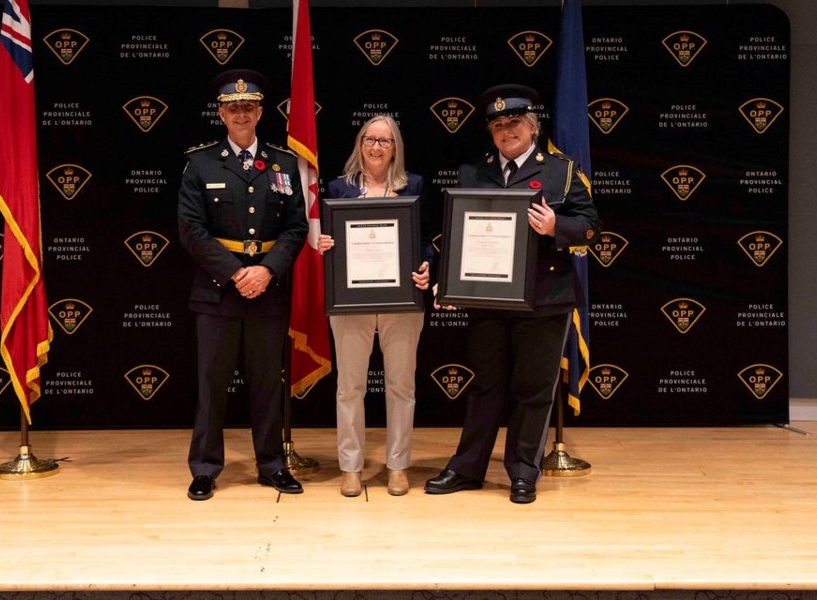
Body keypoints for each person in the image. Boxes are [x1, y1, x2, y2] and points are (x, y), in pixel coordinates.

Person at [424, 84, 601, 504]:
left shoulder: (562, 170)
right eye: (499, 125)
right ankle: (467, 469)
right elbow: (457, 236)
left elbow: (592, 227)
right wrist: (446, 281)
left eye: (515, 122)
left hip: (545, 297)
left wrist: (556, 225)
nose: (507, 131)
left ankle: (523, 472)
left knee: (534, 388)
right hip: (488, 299)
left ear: (532, 126)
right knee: (485, 385)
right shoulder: (473, 173)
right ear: (491, 132)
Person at [177, 69, 308, 501]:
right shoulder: (200, 162)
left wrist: (267, 270)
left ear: (259, 111)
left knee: (268, 383)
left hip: (267, 290)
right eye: (233, 107)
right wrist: (236, 273)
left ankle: (272, 465)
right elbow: (191, 230)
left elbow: (295, 228)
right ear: (220, 112)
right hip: (218, 292)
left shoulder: (283, 163)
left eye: (248, 106)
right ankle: (205, 467)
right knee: (211, 385)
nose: (241, 113)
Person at [316, 115, 431, 497]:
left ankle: (398, 465)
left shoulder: (412, 186)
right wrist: (325, 247)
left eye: (385, 140)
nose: (377, 147)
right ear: (360, 144)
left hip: (402, 301)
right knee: (349, 387)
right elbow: (325, 241)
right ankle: (351, 467)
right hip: (352, 302)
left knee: (402, 386)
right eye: (370, 139)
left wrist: (427, 264)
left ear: (395, 147)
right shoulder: (338, 188)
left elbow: (426, 241)